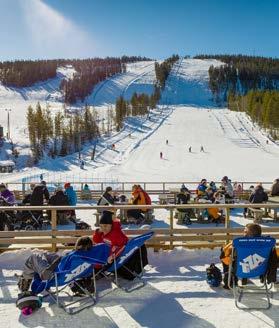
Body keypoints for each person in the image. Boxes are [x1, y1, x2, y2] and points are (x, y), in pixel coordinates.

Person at [17, 236, 93, 292]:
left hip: (53, 276)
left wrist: (49, 269)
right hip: (66, 277)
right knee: (48, 255)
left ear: (78, 246)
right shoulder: (91, 260)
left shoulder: (72, 257)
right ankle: (27, 277)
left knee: (34, 257)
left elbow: (59, 263)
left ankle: (24, 281)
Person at [93, 212, 148, 279]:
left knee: (93, 260)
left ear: (111, 225)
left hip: (111, 260)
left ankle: (96, 272)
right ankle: (95, 271)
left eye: (105, 226)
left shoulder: (116, 234)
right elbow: (96, 241)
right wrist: (98, 232)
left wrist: (110, 257)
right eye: (101, 226)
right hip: (104, 256)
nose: (103, 228)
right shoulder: (105, 232)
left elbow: (121, 248)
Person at [220, 223, 277, 289]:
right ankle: (245, 278)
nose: (243, 233)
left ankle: (230, 282)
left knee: (226, 257)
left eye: (245, 231)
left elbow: (223, 255)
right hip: (260, 270)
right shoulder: (267, 243)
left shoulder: (239, 243)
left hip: (241, 270)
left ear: (250, 233)